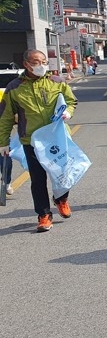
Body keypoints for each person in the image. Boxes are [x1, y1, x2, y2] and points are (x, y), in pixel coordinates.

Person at [0, 49, 78, 232]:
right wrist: (3, 142)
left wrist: (68, 112)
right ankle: (43, 214)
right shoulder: (14, 87)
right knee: (38, 179)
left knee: (62, 173)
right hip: (31, 141)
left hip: (57, 138)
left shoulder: (56, 81)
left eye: (44, 61)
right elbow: (5, 117)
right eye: (36, 62)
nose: (41, 65)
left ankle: (61, 199)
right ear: (26, 64)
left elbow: (71, 100)